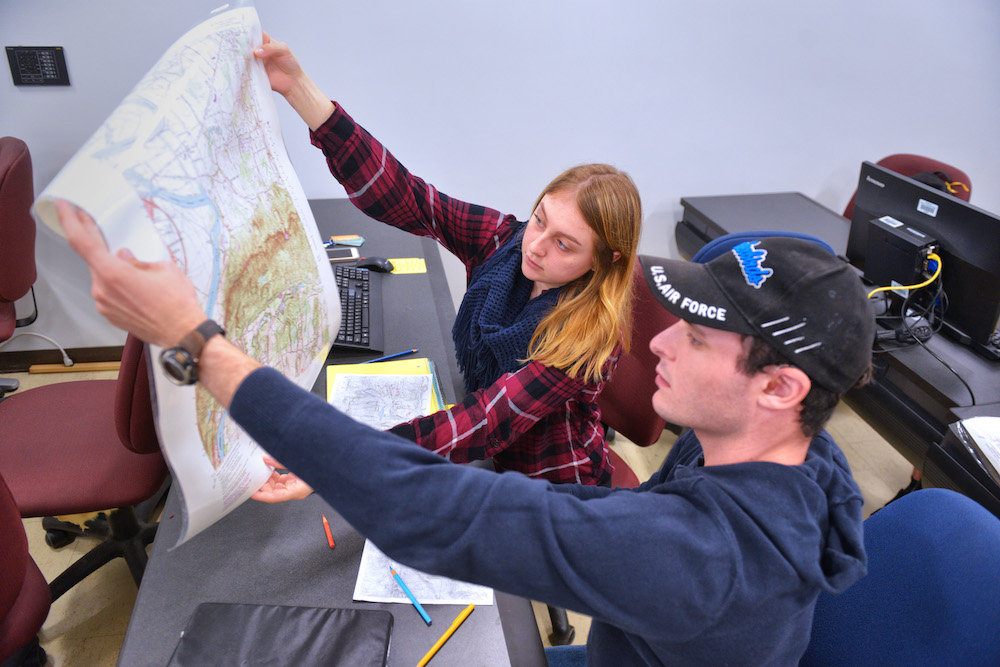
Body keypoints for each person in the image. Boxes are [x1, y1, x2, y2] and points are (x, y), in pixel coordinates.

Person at [59, 200, 874, 665]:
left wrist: (203, 346)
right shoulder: (791, 449)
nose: (655, 342)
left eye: (695, 340)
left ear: (780, 386)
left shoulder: (698, 555)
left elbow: (433, 512)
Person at [252, 34, 641, 495]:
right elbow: (411, 199)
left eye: (564, 245)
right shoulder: (505, 240)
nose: (536, 246)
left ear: (604, 259)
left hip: (558, 488)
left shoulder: (590, 334)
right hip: (497, 464)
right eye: (539, 219)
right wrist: (299, 89)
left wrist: (341, 454)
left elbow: (486, 422)